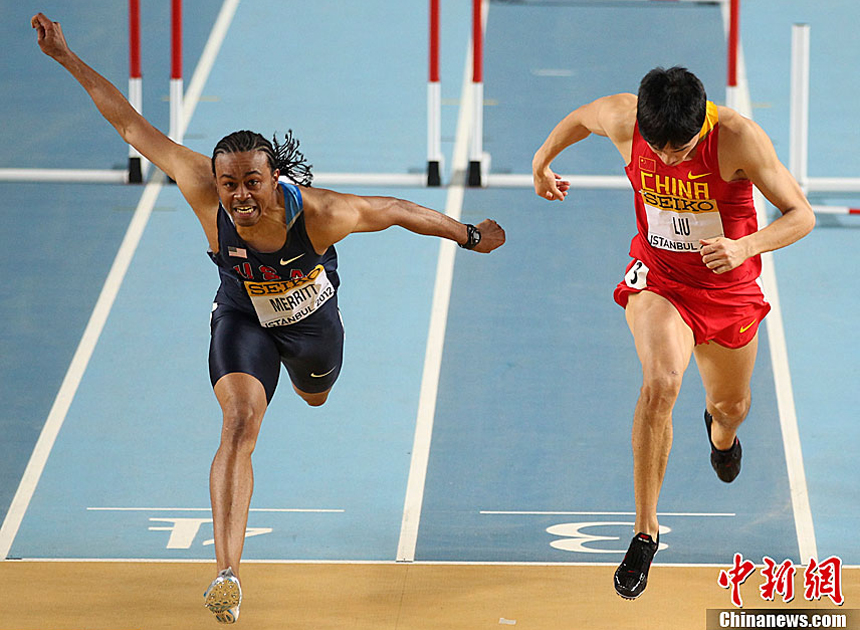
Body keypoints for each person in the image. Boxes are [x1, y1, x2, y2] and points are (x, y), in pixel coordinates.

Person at [32, 12, 505, 624]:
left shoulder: (322, 213)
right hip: (242, 317)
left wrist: (468, 234)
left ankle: (308, 384)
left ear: (273, 177)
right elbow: (128, 123)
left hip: (312, 324)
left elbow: (393, 210)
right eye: (229, 185)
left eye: (251, 182)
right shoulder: (202, 186)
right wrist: (67, 57)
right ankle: (227, 571)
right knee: (238, 424)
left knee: (315, 398)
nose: (239, 197)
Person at [532, 66, 814, 600]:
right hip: (660, 282)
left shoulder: (738, 138)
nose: (667, 159)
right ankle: (645, 532)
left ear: (700, 128)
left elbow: (801, 215)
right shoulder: (623, 118)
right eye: (658, 150)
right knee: (660, 384)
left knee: (732, 406)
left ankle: (722, 433)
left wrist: (745, 247)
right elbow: (579, 119)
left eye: (680, 151)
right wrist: (541, 161)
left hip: (728, 290)